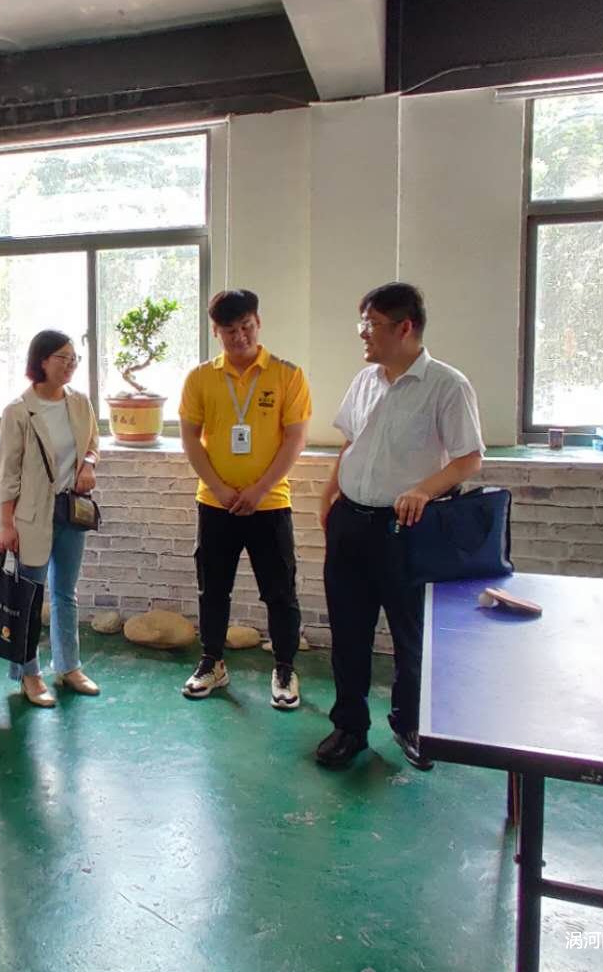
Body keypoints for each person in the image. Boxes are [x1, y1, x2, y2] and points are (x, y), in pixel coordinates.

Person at [315, 282, 484, 771]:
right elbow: (350, 442)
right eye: (363, 323)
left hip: (406, 529)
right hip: (350, 521)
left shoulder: (447, 385)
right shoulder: (364, 380)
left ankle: (410, 724)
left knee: (411, 635)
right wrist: (330, 493)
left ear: (405, 327)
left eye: (371, 324)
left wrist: (424, 490)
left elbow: (469, 459)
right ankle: (349, 727)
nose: (363, 334)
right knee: (348, 631)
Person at [178, 289, 311, 708]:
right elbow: (190, 438)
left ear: (258, 323)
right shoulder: (200, 378)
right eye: (229, 330)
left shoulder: (287, 375)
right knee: (213, 590)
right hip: (215, 503)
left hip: (269, 505)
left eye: (246, 327)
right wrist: (219, 488)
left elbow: (295, 439)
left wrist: (259, 489)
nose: (239, 337)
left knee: (280, 592)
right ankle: (212, 663)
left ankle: (285, 668)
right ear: (215, 331)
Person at [0, 330, 101, 706]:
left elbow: (93, 442)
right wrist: (6, 524)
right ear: (41, 360)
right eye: (63, 357)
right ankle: (29, 674)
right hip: (32, 514)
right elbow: (8, 473)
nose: (70, 364)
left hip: (72, 510)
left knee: (65, 593)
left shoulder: (80, 402)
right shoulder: (19, 411)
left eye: (74, 358)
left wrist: (88, 464)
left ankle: (69, 667)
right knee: (28, 596)